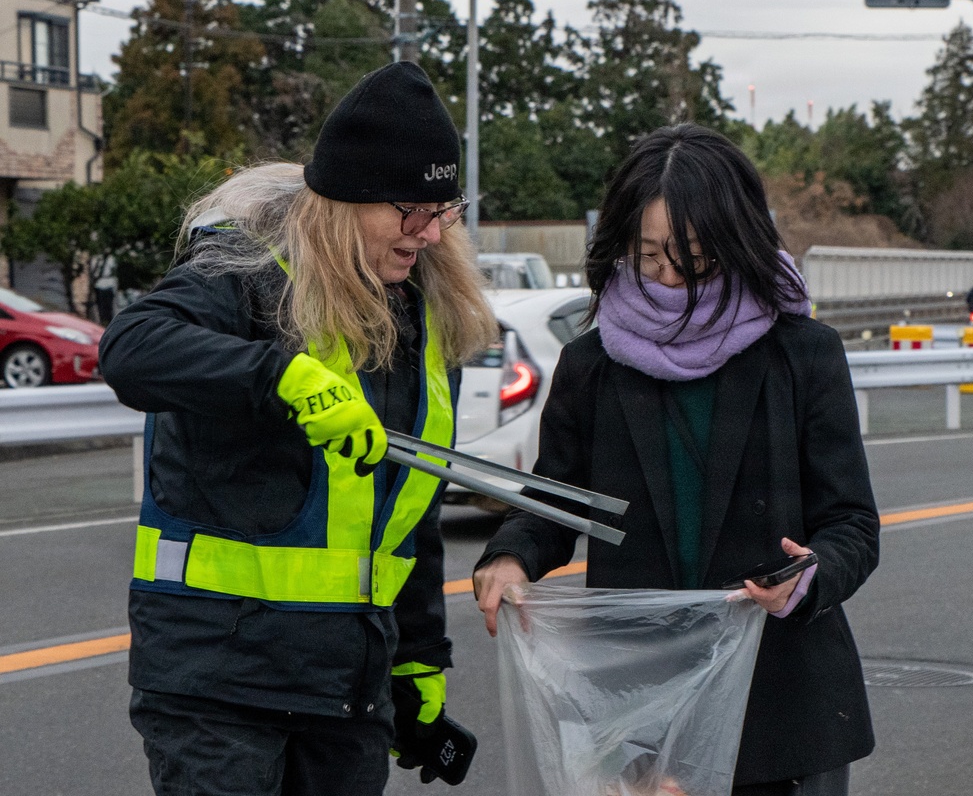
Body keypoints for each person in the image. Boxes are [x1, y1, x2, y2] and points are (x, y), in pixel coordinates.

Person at [99, 61, 496, 796]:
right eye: (410, 209)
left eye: (444, 209)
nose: (429, 232)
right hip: (217, 685)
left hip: (346, 694)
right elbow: (131, 349)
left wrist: (416, 659)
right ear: (347, 200)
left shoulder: (420, 314)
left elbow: (407, 513)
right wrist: (282, 378)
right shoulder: (246, 271)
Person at [473, 124, 880, 796]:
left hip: (781, 709)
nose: (667, 277)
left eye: (692, 259)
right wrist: (511, 556)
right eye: (647, 256)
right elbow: (555, 504)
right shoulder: (593, 364)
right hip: (639, 706)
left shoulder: (804, 356)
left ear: (738, 241)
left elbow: (853, 525)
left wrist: (807, 576)